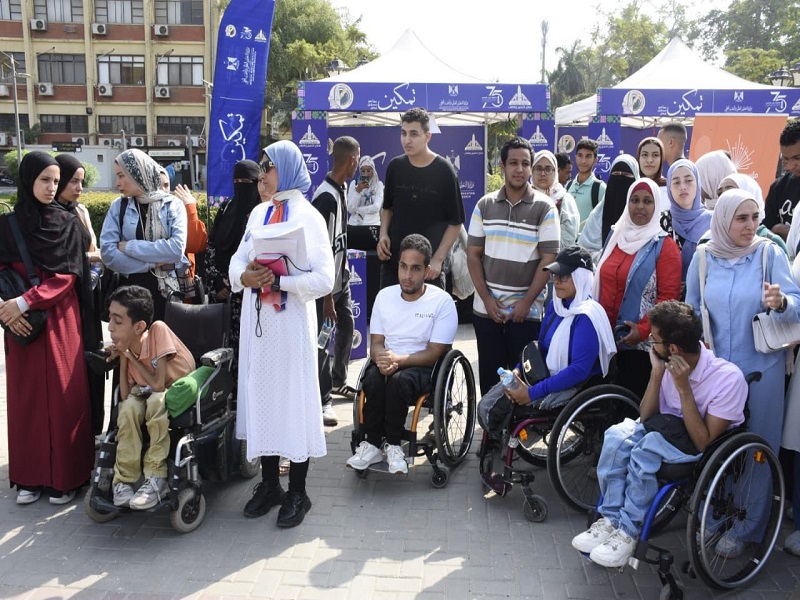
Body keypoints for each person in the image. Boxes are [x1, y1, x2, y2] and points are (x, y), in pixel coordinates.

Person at [572, 301, 747, 568]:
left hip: (694, 444)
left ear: (673, 348)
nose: (650, 343)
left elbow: (703, 442)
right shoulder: (667, 363)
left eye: (654, 339)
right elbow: (645, 416)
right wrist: (656, 374)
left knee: (646, 449)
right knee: (616, 436)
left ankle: (628, 531)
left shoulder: (728, 378)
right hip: (663, 428)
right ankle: (610, 520)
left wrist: (683, 386)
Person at [685, 189, 800, 556]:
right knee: (717, 446)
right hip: (718, 374)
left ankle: (748, 527)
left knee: (757, 450)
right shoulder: (704, 257)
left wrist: (781, 302)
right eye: (741, 218)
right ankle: (715, 515)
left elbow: (797, 304)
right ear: (723, 220)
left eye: (755, 218)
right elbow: (691, 310)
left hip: (762, 372)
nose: (751, 226)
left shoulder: (769, 254)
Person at [229, 140, 334, 527]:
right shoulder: (258, 213)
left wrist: (281, 282)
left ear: (287, 169)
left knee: (293, 401)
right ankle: (270, 484)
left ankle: (298, 492)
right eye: (260, 168)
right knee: (262, 399)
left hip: (290, 326)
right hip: (258, 325)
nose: (261, 176)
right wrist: (244, 276)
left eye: (268, 168)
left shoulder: (309, 217)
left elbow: (325, 279)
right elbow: (237, 260)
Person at [0, 151, 94, 505]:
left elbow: (67, 276)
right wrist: (6, 308)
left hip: (57, 318)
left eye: (56, 181)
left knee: (63, 397)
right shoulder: (7, 225)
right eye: (44, 180)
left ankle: (65, 479)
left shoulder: (67, 223)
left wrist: (25, 302)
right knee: (25, 400)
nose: (52, 187)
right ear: (28, 180)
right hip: (18, 321)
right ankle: (29, 478)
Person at [346, 234, 458, 474]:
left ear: (427, 270)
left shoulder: (442, 302)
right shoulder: (384, 297)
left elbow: (434, 353)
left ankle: (394, 445)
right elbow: (376, 343)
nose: (407, 275)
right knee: (372, 380)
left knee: (398, 382)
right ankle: (372, 444)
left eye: (415, 269)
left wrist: (398, 360)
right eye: (403, 267)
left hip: (423, 365)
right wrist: (380, 357)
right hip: (389, 360)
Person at [477, 246, 616, 437]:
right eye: (555, 275)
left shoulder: (587, 317)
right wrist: (518, 371)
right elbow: (540, 347)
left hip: (576, 385)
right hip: (546, 375)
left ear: (581, 278)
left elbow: (578, 371)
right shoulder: (555, 306)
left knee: (503, 405)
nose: (556, 281)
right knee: (488, 404)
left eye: (563, 276)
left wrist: (532, 393)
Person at [467, 137, 560, 396]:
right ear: (502, 167)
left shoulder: (545, 208)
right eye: (513, 163)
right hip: (487, 312)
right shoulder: (484, 205)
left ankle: (519, 424)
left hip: (526, 315)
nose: (520, 169)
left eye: (525, 163)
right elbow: (473, 255)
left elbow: (549, 258)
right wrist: (487, 300)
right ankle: (490, 424)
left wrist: (526, 302)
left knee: (526, 385)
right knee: (490, 384)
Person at [106, 285, 195, 509]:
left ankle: (156, 476)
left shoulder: (157, 331)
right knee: (128, 407)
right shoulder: (129, 346)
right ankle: (124, 480)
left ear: (139, 327)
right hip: (151, 390)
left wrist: (129, 356)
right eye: (110, 319)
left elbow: (157, 385)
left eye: (117, 321)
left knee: (156, 401)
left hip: (177, 389)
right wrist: (124, 355)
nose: (110, 327)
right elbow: (125, 395)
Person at [594, 178, 682, 398]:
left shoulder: (665, 247)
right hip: (603, 340)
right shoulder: (615, 236)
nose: (640, 206)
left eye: (647, 201)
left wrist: (642, 331)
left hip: (640, 348)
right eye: (634, 200)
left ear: (656, 205)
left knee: (629, 406)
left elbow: (668, 300)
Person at [377, 107, 465, 289]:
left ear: (428, 136)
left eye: (414, 134)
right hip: (394, 266)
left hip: (429, 270)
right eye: (403, 133)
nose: (407, 140)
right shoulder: (395, 167)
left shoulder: (445, 171)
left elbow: (456, 223)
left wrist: (438, 259)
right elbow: (387, 208)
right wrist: (383, 234)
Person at [99, 148, 189, 322]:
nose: (117, 183)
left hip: (165, 293)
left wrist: (129, 247)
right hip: (129, 295)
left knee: (161, 337)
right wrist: (151, 263)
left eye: (122, 176)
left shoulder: (172, 205)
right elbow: (108, 253)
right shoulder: (119, 206)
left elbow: (176, 249)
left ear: (138, 173)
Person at [55, 154, 107, 437]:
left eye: (81, 182)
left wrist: (91, 258)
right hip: (63, 298)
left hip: (88, 294)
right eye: (73, 181)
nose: (79, 188)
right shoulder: (47, 216)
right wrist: (92, 258)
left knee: (92, 357)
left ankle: (93, 428)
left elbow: (92, 248)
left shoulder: (81, 211)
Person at [312, 136, 360, 426]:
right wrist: (327, 296)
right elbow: (321, 250)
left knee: (347, 328)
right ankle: (322, 400)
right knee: (321, 341)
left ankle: (338, 380)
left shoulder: (341, 189)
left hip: (340, 283)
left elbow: (339, 242)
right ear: (352, 160)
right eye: (358, 160)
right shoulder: (325, 198)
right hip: (325, 289)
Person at [203, 159, 261, 387]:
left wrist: (236, 281)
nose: (241, 186)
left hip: (249, 297)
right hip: (223, 300)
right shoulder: (227, 208)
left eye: (246, 182)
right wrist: (218, 282)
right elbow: (211, 247)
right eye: (237, 181)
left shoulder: (261, 214)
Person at [718, 173, 788, 256]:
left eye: (731, 191)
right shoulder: (710, 244)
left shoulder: (772, 244)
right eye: (720, 194)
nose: (724, 197)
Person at [666, 158, 711, 281]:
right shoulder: (661, 223)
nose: (683, 187)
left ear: (698, 183)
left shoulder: (713, 222)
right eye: (676, 182)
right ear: (669, 188)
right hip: (669, 291)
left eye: (688, 180)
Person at [163, 172, 208, 282]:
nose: (163, 190)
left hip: (182, 280)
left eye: (166, 185)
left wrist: (190, 209)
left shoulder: (175, 207)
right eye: (158, 185)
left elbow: (195, 245)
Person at [532, 149, 579, 249]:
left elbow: (567, 241)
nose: (543, 173)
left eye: (548, 169)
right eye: (538, 169)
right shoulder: (523, 197)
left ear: (555, 172)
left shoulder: (564, 199)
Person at [764, 119, 800, 242]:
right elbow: (765, 231)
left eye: (797, 158)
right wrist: (775, 230)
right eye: (786, 159)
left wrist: (792, 233)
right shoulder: (779, 187)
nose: (791, 166)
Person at [598, 154, 640, 245]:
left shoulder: (642, 215)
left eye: (626, 175)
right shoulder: (596, 217)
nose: (620, 179)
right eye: (616, 174)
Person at [346, 155, 384, 251]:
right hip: (354, 226)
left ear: (373, 170)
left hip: (372, 226)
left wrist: (358, 210)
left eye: (368, 170)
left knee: (372, 256)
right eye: (363, 171)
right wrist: (358, 191)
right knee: (354, 256)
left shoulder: (379, 185)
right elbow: (350, 209)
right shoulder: (354, 184)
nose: (366, 174)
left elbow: (376, 207)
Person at [565, 139, 606, 225]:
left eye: (588, 156)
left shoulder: (601, 188)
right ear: (575, 157)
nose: (583, 161)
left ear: (595, 160)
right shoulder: (568, 186)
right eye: (580, 156)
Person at [635, 137, 669, 212]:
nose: (649, 160)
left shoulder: (670, 190)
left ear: (661, 159)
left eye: (655, 155)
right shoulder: (631, 188)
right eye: (645, 155)